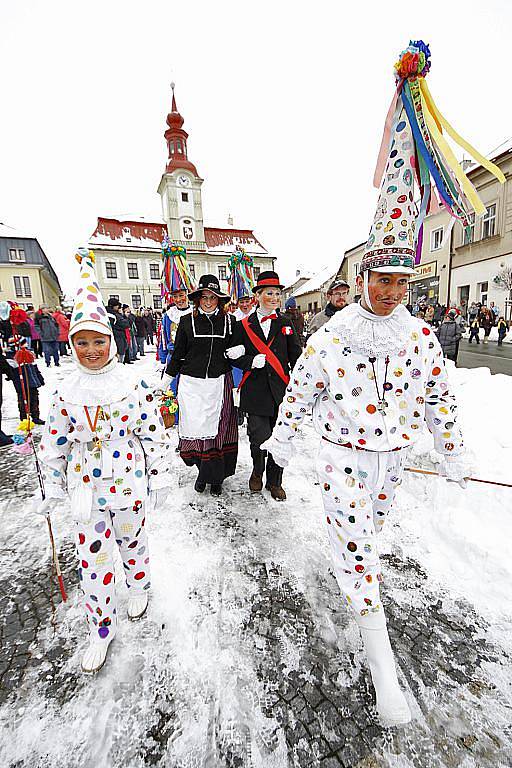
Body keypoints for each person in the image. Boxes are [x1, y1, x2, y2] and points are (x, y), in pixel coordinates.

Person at [260, 41, 484, 726]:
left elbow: (440, 395)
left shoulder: (418, 335)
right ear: (361, 281)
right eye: (379, 280)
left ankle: (356, 578)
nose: (389, 291)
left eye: (399, 281)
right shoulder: (330, 336)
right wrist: (284, 444)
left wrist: (450, 448)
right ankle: (382, 667)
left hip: (391, 464)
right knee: (360, 555)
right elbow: (300, 395)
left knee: (365, 543)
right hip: (343, 460)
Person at [37, 248, 171, 674]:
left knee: (132, 543)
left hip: (128, 481)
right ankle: (100, 628)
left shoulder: (132, 384)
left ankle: (139, 586)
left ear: (111, 341)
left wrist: (161, 477)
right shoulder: (64, 391)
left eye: (98, 341)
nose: (90, 350)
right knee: (92, 560)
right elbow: (55, 444)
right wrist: (54, 486)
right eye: (82, 342)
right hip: (85, 491)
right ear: (71, 343)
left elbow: (154, 434)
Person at [228, 270, 302, 501]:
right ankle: (257, 471)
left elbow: (296, 357)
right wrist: (249, 361)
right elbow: (231, 354)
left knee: (280, 438)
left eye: (278, 294)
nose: (274, 298)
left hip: (281, 392)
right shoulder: (244, 325)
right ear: (257, 296)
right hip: (255, 392)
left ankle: (275, 480)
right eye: (269, 293)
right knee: (258, 438)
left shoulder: (285, 323)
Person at [163, 275, 238, 496]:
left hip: (219, 382)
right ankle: (201, 472)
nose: (208, 302)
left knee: (218, 433)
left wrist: (240, 352)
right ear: (197, 299)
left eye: (213, 297)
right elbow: (177, 354)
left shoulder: (229, 322)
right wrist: (167, 379)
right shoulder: (186, 321)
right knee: (196, 432)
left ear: (219, 300)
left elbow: (237, 347)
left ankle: (215, 478)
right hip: (192, 385)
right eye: (204, 297)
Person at [5, 337, 45, 424]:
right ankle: (24, 418)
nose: (26, 345)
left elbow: (34, 367)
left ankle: (36, 416)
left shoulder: (29, 353)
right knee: (23, 400)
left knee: (34, 399)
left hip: (33, 381)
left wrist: (40, 378)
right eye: (23, 343)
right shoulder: (11, 356)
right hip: (21, 383)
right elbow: (10, 370)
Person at [106, 298, 131, 363]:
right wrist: (124, 315)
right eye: (117, 306)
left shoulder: (108, 313)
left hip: (116, 339)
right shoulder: (113, 315)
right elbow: (126, 324)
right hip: (118, 340)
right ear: (113, 306)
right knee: (119, 361)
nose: (118, 307)